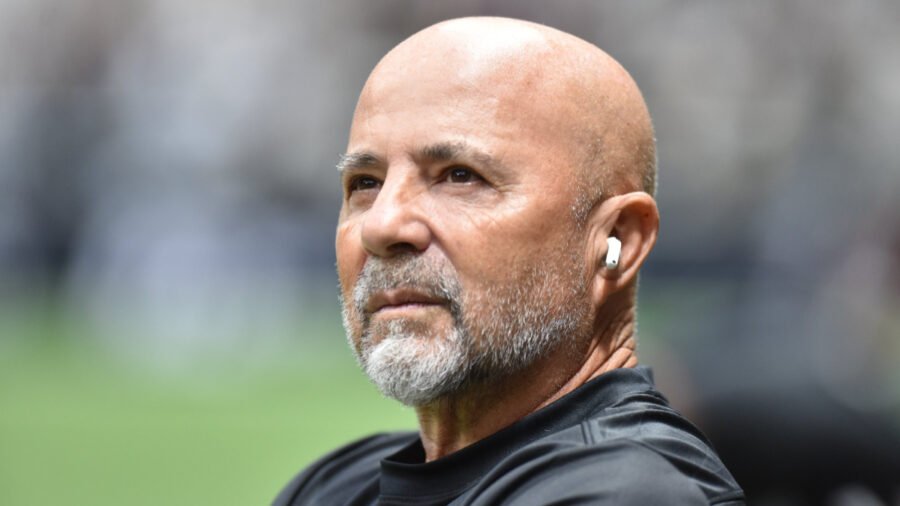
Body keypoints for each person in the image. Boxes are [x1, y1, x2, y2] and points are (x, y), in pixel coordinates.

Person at [274, 16, 744, 506]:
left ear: (618, 240)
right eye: (366, 184)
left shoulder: (629, 491)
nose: (381, 226)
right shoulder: (334, 486)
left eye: (459, 176)